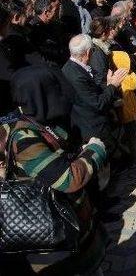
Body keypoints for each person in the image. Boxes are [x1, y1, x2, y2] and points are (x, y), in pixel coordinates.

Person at [8, 65, 108, 275]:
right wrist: (95, 151)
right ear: (41, 94)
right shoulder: (24, 137)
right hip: (55, 243)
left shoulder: (40, 121)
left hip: (75, 230)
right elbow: (69, 179)